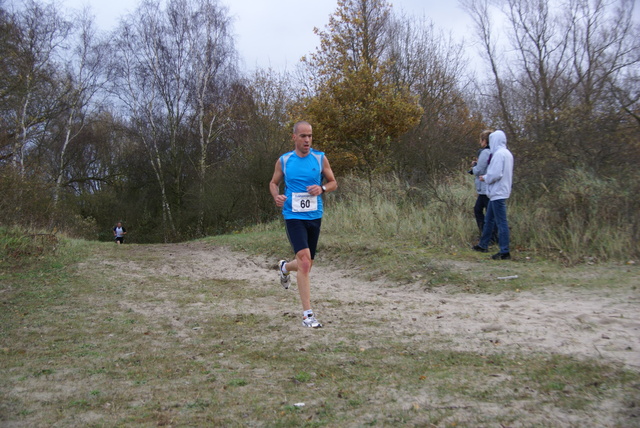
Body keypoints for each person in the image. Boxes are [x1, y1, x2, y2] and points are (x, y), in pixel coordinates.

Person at [269, 121, 337, 328]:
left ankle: (284, 267)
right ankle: (308, 315)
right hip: (293, 215)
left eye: (310, 136)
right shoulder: (284, 160)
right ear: (294, 137)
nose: (307, 140)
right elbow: (274, 183)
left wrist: (322, 189)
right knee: (305, 262)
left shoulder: (319, 157)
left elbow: (333, 182)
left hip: (314, 216)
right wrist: (276, 197)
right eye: (303, 136)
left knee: (306, 264)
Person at [472, 130, 513, 260]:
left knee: (501, 222)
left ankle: (504, 251)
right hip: (500, 191)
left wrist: (485, 178)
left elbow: (495, 174)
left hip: (497, 192)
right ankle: (483, 244)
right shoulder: (507, 153)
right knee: (488, 220)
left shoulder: (498, 155)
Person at [471, 129, 498, 244]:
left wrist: (473, 168)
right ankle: (491, 236)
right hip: (490, 187)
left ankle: (489, 236)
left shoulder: (485, 152)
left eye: (481, 140)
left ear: (484, 141)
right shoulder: (495, 151)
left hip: (484, 187)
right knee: (488, 212)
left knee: (480, 211)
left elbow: (480, 170)